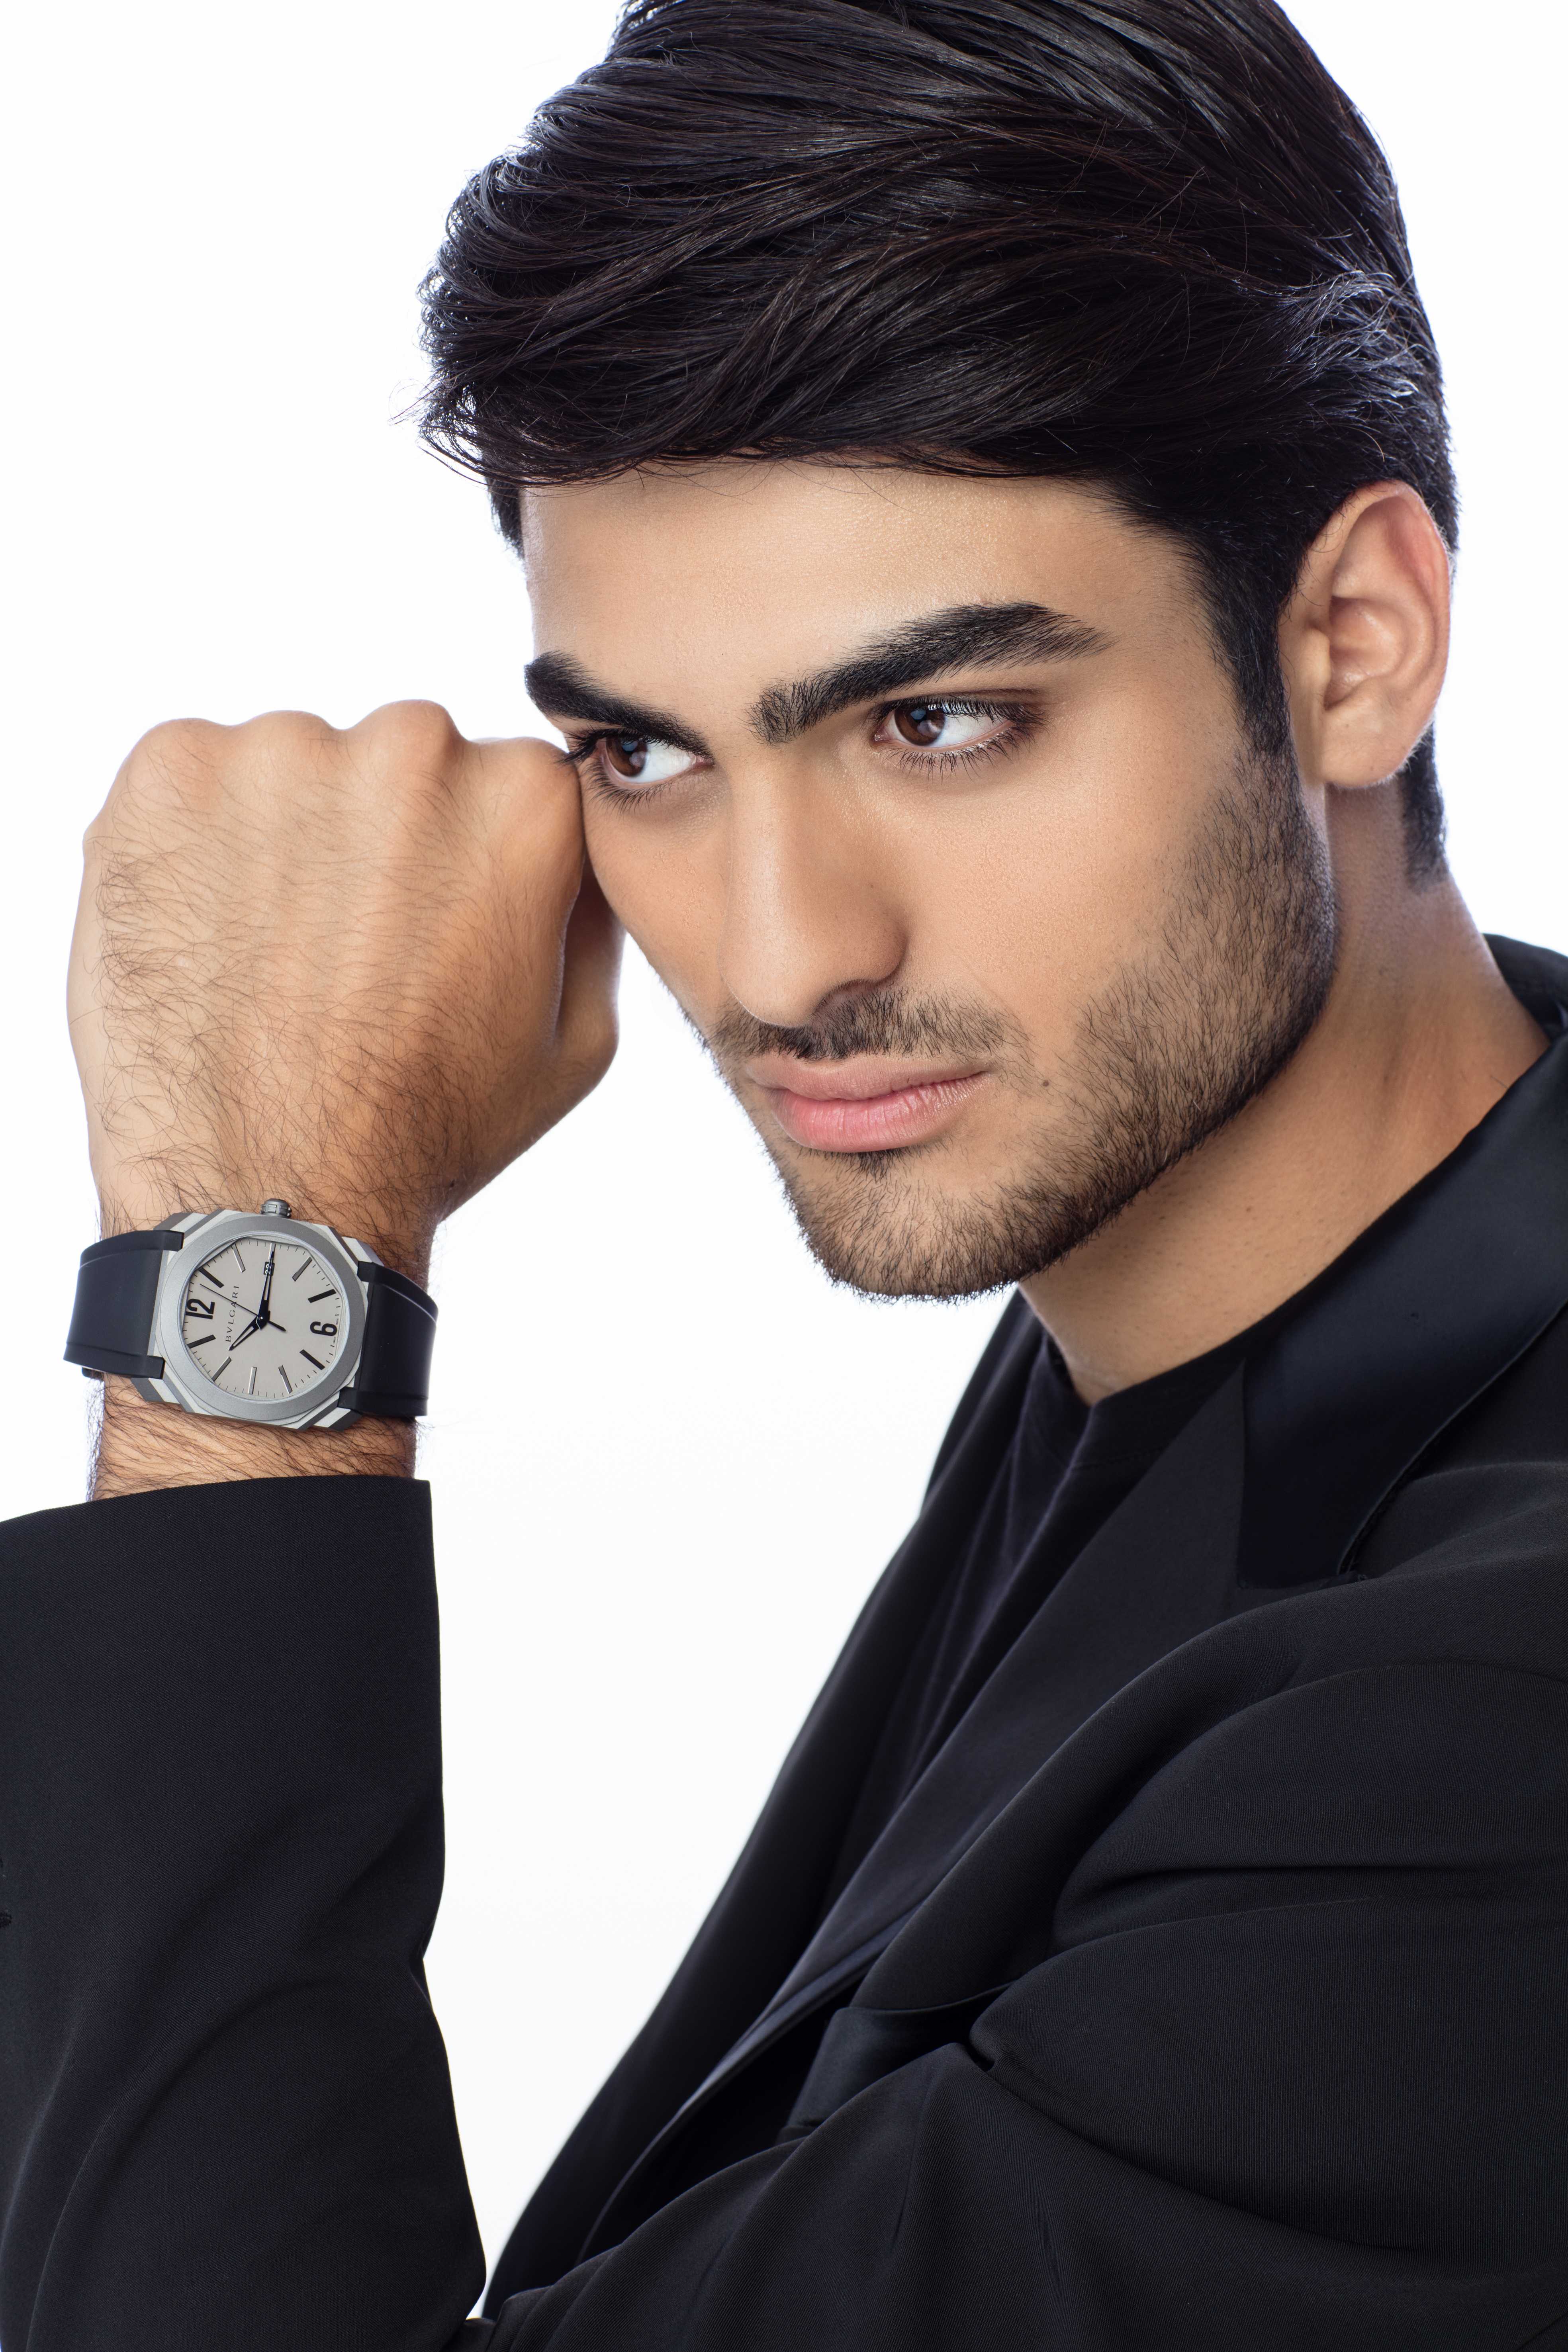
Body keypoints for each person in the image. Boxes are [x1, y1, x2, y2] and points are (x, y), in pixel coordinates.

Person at [3, 0, 1566, 2342]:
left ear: (1354, 643)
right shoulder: (1260, 1290)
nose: (781, 956)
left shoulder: (1486, 1747)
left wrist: (257, 1280)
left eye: (941, 720)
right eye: (644, 756)